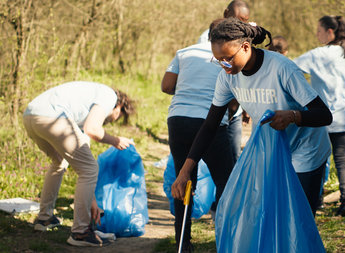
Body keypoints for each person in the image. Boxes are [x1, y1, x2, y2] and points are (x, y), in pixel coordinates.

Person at [172, 18, 333, 217]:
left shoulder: (282, 68)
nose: (224, 65)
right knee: (271, 216)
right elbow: (210, 125)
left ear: (246, 47)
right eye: (218, 60)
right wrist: (186, 170)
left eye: (228, 58)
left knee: (299, 218)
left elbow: (324, 115)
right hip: (273, 150)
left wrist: (293, 116)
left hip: (306, 150)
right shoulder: (227, 76)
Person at [23, 81, 135, 247]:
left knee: (59, 162)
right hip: (53, 117)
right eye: (116, 117)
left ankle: (45, 219)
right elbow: (93, 130)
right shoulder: (109, 96)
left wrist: (93, 201)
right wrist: (115, 140)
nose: (110, 121)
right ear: (119, 106)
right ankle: (80, 233)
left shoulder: (85, 105)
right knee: (90, 169)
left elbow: (82, 154)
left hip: (31, 116)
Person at [161, 19, 235, 253]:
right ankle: (226, 237)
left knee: (184, 179)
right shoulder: (227, 56)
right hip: (211, 122)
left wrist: (187, 90)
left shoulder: (184, 52)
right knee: (225, 180)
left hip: (179, 119)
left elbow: (166, 85)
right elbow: (233, 97)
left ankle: (183, 242)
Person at [293, 15, 345, 216]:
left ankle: (317, 199)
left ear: (330, 32)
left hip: (323, 117)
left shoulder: (318, 54)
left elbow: (291, 68)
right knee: (342, 160)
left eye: (319, 31)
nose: (316, 34)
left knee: (318, 160)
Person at [198, 0, 253, 164]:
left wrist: (245, 107)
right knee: (215, 160)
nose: (240, 24)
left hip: (235, 110)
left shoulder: (246, 36)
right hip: (216, 105)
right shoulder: (207, 38)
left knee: (234, 157)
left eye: (244, 20)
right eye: (237, 19)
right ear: (226, 14)